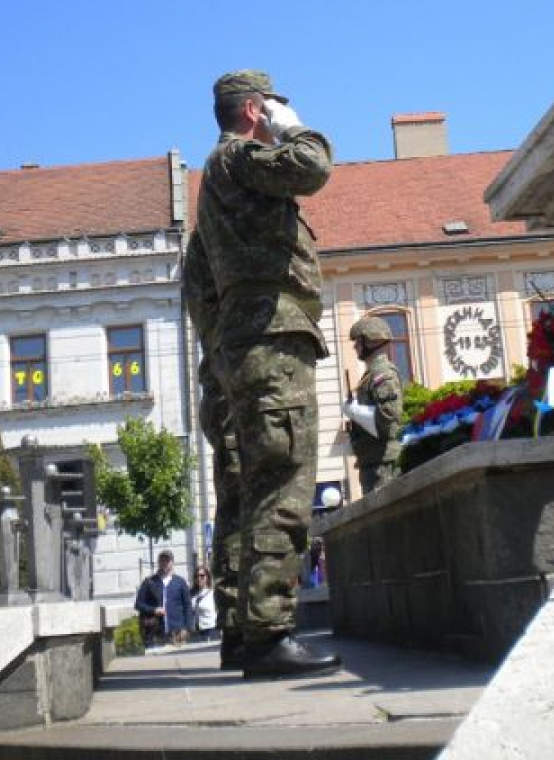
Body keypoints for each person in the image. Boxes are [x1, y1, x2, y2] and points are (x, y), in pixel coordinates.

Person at [196, 68, 341, 679]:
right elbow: (312, 166)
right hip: (271, 337)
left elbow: (199, 288)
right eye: (271, 107)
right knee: (283, 482)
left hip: (246, 341)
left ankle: (242, 629)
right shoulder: (239, 159)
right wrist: (293, 126)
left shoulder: (216, 183)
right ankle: (270, 633)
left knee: (256, 487)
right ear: (255, 109)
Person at [182, 229, 241, 660]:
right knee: (240, 506)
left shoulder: (204, 247)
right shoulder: (215, 242)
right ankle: (240, 623)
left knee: (234, 506)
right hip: (228, 388)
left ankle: (237, 624)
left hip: (222, 388)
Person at [341, 316, 404, 494]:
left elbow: (389, 417)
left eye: (358, 341)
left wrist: (355, 411)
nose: (355, 346)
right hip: (373, 460)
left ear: (371, 341)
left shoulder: (383, 373)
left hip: (383, 462)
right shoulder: (371, 375)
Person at [134, 549, 193, 649]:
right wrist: (154, 610)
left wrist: (187, 628)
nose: (164, 563)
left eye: (167, 560)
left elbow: (187, 606)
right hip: (155, 633)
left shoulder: (180, 582)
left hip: (177, 632)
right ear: (158, 562)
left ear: (172, 562)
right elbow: (138, 604)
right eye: (162, 560)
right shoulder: (149, 582)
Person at [191, 565, 219, 641]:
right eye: (196, 576)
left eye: (202, 576)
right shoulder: (192, 594)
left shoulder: (213, 593)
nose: (199, 578)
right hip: (195, 631)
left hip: (210, 629)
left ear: (207, 577)